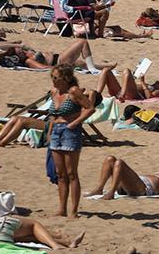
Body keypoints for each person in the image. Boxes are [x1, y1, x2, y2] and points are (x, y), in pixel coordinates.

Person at [48, 65, 93, 218]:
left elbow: (89, 108)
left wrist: (75, 122)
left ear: (66, 78)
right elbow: (53, 116)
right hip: (56, 132)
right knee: (60, 174)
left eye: (56, 78)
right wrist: (49, 133)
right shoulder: (54, 92)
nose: (53, 81)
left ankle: (73, 211)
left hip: (70, 132)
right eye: (52, 77)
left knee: (71, 173)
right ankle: (62, 208)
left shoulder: (73, 91)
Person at [88, 156, 159, 200]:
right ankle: (99, 188)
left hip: (143, 188)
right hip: (137, 182)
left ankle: (111, 192)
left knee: (120, 163)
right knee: (110, 159)